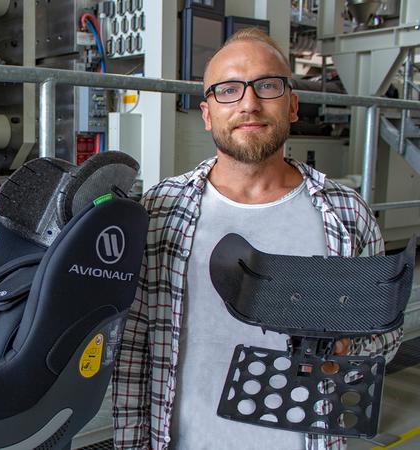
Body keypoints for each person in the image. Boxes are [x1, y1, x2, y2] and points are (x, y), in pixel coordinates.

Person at [111, 28, 402, 450]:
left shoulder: (344, 213)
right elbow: (132, 341)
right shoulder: (161, 210)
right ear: (207, 113)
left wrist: (347, 351)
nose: (249, 103)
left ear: (293, 104)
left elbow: (386, 332)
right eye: (228, 90)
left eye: (267, 86)